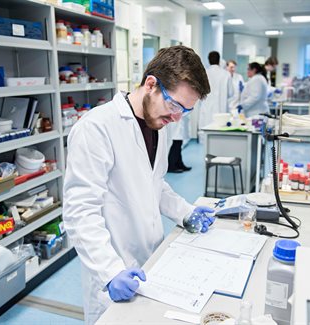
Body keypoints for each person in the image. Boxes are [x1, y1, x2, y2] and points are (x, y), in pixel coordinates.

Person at [63, 46, 216, 325]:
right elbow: (80, 212)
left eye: (186, 111)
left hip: (151, 263)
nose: (176, 118)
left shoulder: (158, 124)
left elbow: (154, 183)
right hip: (113, 272)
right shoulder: (96, 128)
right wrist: (110, 271)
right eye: (175, 105)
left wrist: (185, 211)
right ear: (151, 84)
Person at [197, 51, 232, 132]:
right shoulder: (226, 74)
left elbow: (199, 92)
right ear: (219, 60)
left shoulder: (203, 73)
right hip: (221, 111)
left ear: (208, 60)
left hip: (206, 109)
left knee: (206, 135)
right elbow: (231, 93)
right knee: (219, 135)